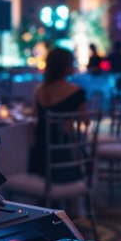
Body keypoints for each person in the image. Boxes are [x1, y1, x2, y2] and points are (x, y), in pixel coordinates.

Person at [28, 47, 87, 182]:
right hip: (64, 160)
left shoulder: (39, 90)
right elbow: (86, 122)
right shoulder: (76, 91)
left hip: (38, 160)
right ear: (67, 66)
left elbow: (35, 118)